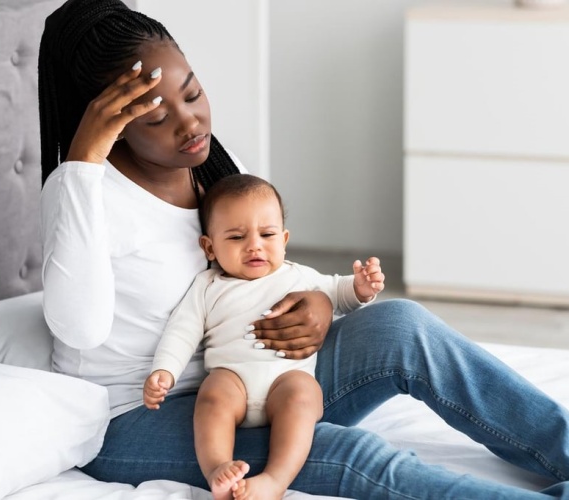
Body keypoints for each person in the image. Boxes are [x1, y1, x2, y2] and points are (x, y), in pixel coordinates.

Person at [38, 0, 569, 498]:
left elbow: (267, 268)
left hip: (258, 374)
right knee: (348, 452)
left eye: (194, 94)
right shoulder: (83, 191)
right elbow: (78, 328)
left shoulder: (216, 167)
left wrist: (316, 304)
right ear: (108, 121)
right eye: (156, 118)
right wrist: (84, 158)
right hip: (143, 415)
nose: (191, 122)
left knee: (402, 325)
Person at [143, 173, 385, 500]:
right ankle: (217, 468)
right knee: (211, 397)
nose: (255, 245)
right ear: (209, 247)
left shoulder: (299, 276)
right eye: (237, 237)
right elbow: (182, 331)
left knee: (302, 397)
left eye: (267, 234)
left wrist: (361, 287)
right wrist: (164, 371)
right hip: (233, 380)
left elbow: (339, 293)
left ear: (284, 239)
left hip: (287, 379)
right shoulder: (208, 286)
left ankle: (274, 480)